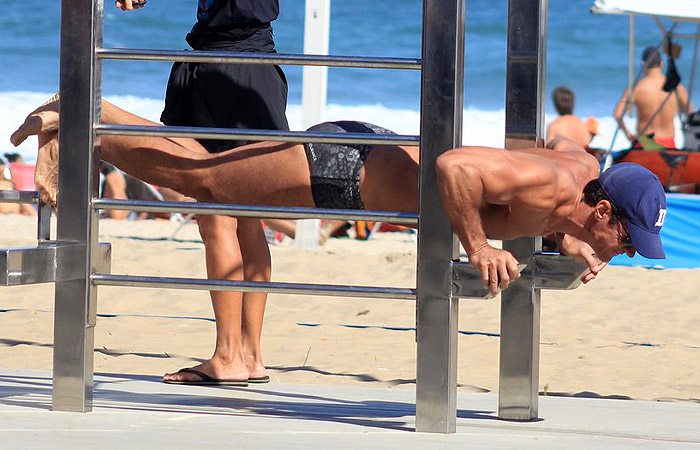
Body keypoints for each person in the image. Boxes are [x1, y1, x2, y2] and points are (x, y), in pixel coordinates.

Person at [13, 96, 668, 299]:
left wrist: (568, 243)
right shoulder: (553, 184)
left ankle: (88, 130)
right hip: (344, 169)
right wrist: (479, 245)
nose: (626, 254)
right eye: (626, 242)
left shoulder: (582, 177)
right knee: (200, 183)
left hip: (364, 163)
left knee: (209, 184)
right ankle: (83, 118)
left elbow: (555, 190)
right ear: (603, 210)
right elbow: (457, 167)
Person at [116, 0, 289, 384]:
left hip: (230, 70)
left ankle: (230, 356)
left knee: (217, 218)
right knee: (246, 220)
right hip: (248, 64)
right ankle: (249, 354)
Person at [614, 46, 693, 149]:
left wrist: (629, 135)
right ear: (661, 64)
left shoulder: (635, 88)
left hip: (644, 144)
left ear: (643, 64)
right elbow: (690, 114)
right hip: (668, 144)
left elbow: (617, 115)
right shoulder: (677, 87)